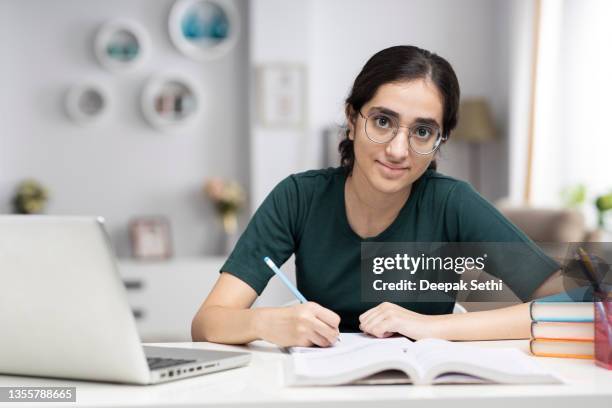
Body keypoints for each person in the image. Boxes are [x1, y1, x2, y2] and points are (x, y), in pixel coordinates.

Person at [191, 45, 563, 347]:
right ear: (352, 120)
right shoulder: (298, 197)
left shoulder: (452, 203)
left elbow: (573, 298)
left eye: (421, 131)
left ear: (438, 142)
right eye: (383, 121)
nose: (399, 150)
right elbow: (207, 322)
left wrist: (434, 327)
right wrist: (266, 322)